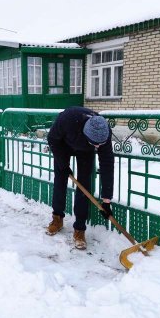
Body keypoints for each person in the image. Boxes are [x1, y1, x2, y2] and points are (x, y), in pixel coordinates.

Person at [46, 106, 115, 250]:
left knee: (84, 185)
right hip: (63, 145)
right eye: (95, 144)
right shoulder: (67, 120)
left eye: (100, 145)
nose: (98, 147)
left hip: (85, 151)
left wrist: (106, 200)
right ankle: (57, 219)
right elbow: (52, 138)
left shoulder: (104, 133)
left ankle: (80, 229)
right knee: (60, 180)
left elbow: (107, 164)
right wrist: (63, 164)